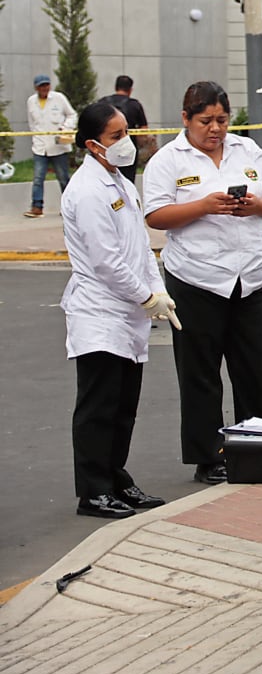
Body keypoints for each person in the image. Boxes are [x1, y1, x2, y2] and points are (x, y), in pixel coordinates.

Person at [142, 81, 262, 485]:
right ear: (186, 119)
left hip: (250, 278)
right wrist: (202, 206)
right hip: (196, 279)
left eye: (222, 120)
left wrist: (256, 206)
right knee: (200, 374)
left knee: (257, 370)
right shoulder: (168, 160)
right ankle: (208, 457)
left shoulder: (247, 150)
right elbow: (155, 215)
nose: (215, 129)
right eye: (205, 121)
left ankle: (254, 446)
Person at [60, 101, 175, 518]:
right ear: (93, 145)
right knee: (99, 406)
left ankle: (115, 478)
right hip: (100, 312)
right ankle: (93, 489)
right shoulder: (87, 191)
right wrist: (144, 297)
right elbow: (107, 260)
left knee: (124, 404)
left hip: (128, 312)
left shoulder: (121, 182)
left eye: (126, 132)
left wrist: (158, 290)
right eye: (116, 136)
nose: (126, 142)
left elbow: (140, 247)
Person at [24, 74, 77, 218]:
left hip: (58, 146)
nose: (44, 88)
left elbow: (72, 115)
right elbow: (32, 123)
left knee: (63, 177)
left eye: (46, 85)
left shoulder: (59, 98)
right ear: (36, 87)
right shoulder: (31, 101)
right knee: (38, 178)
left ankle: (70, 207)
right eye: (41, 86)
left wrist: (66, 128)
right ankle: (37, 207)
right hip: (40, 147)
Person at [99, 75, 152, 183]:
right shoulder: (134, 104)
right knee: (127, 181)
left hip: (105, 148)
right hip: (127, 148)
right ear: (130, 89)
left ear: (116, 87)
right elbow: (144, 129)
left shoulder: (102, 103)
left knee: (105, 179)